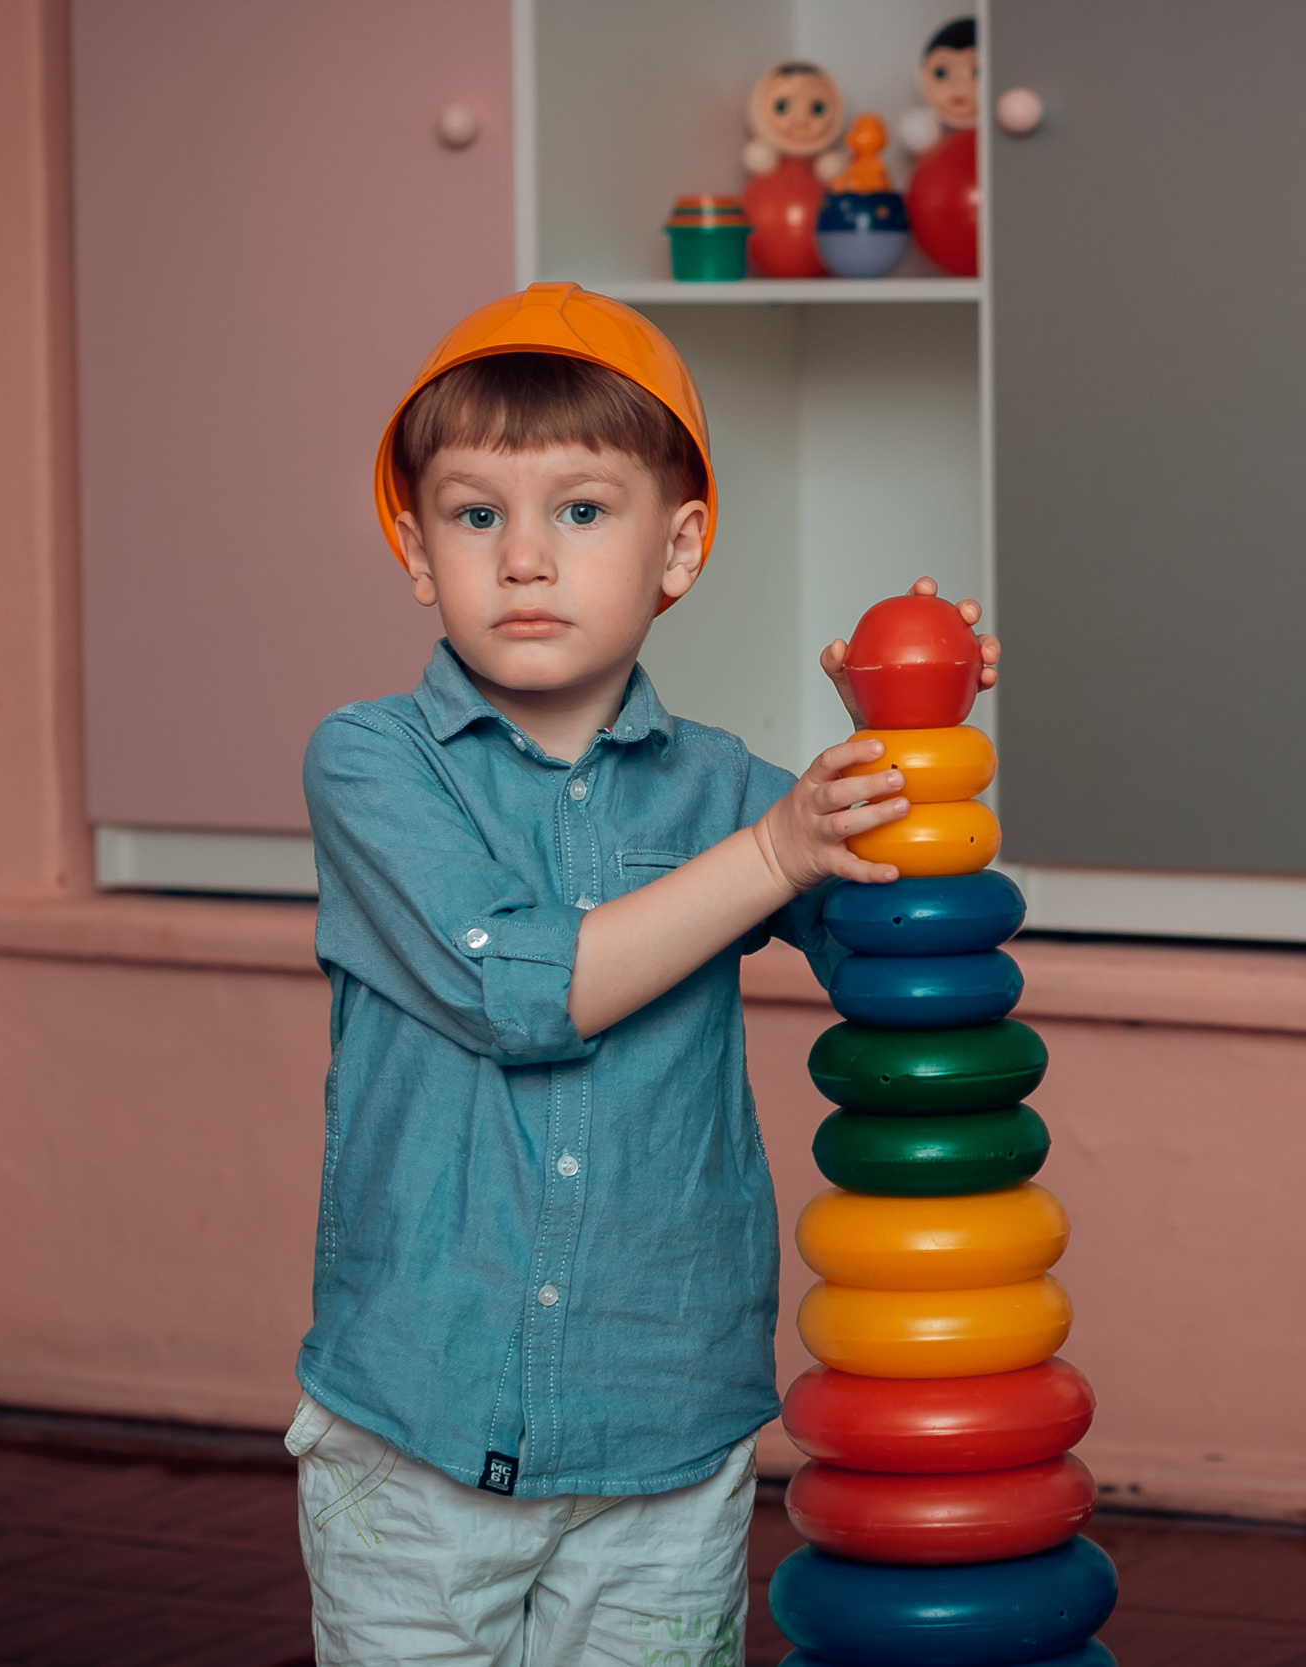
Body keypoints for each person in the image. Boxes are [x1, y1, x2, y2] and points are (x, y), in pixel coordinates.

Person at [285, 281, 995, 1663]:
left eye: (582, 512)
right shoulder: (369, 764)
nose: (526, 560)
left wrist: (908, 743)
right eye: (477, 514)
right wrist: (777, 851)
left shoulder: (732, 788)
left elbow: (903, 945)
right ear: (416, 551)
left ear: (678, 551)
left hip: (662, 1436)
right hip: (415, 1439)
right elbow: (524, 991)